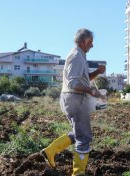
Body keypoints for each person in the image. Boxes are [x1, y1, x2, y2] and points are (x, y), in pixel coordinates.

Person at [40, 28, 106, 175]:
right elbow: (72, 83)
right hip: (74, 99)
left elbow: (83, 79)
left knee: (79, 133)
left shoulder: (80, 55)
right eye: (90, 42)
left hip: (74, 99)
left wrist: (97, 73)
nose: (92, 45)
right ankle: (78, 173)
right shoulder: (76, 56)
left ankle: (51, 151)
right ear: (83, 42)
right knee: (84, 136)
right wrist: (91, 91)